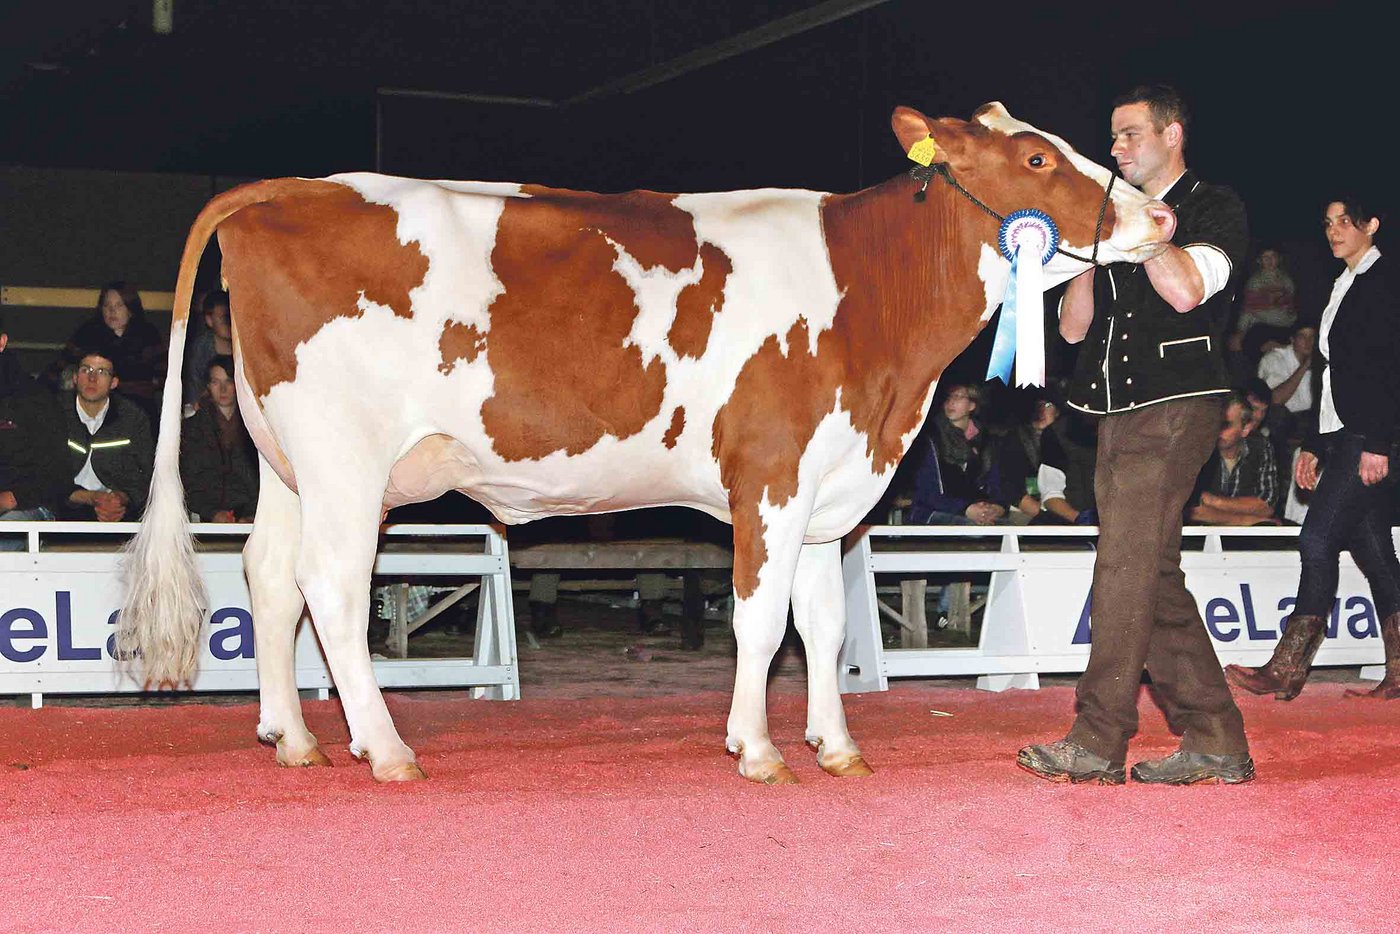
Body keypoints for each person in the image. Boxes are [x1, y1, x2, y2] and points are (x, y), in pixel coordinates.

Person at [1018, 85, 1254, 785]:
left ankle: (1098, 737)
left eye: (1129, 136)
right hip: (1113, 413)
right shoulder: (1115, 216)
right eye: (1114, 138)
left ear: (1172, 134)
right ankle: (1215, 738)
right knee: (1151, 573)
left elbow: (1185, 290)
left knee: (1122, 565)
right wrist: (1095, 250)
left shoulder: (1215, 206)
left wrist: (1148, 230)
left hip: (1178, 403)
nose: (1116, 149)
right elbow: (1072, 328)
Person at [1226, 197, 1400, 701]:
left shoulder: (1384, 282)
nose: (1334, 231)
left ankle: (1286, 666)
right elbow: (1332, 375)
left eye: (1345, 221)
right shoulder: (1340, 285)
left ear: (1372, 224)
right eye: (1327, 223)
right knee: (1375, 552)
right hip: (1342, 433)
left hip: (1369, 436)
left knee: (1316, 539)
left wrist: (1377, 444)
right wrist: (1314, 445)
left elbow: (1387, 373)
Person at [62, 347, 154, 522]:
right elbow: (43, 473)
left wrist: (120, 499)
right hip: (65, 507)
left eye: (102, 372)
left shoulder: (133, 417)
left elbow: (145, 475)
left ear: (114, 383)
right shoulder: (54, 412)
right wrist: (88, 497)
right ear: (75, 377)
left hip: (117, 508)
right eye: (85, 370)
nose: (92, 378)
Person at [0, 314, 69, 540]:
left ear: (2, 342)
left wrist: (11, 497)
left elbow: (56, 471)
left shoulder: (34, 398)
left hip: (28, 508)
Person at [60, 282, 166, 417]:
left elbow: (163, 374)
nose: (112, 311)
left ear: (130, 309)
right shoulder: (88, 333)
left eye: (119, 305)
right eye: (107, 306)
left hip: (138, 407)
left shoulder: (148, 334)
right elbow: (62, 366)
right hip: (94, 406)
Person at [906, 383, 1005, 526]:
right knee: (973, 531)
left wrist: (996, 507)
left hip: (975, 510)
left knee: (1011, 530)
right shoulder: (930, 438)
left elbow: (995, 484)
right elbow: (927, 493)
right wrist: (965, 508)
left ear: (972, 405)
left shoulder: (986, 441)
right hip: (933, 512)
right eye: (948, 397)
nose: (951, 402)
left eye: (958, 397)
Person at [180, 355, 259, 521]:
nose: (223, 389)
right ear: (208, 386)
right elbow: (189, 480)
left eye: (229, 381)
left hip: (252, 517)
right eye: (216, 382)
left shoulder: (256, 429)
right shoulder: (192, 429)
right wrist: (212, 513)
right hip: (207, 518)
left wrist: (252, 515)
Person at [1187, 391, 1279, 525]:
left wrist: (1213, 502)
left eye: (1225, 425)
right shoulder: (1198, 447)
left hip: (1245, 542)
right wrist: (1248, 520)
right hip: (1197, 538)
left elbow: (1266, 505)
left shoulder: (1260, 447)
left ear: (1245, 429)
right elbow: (1192, 510)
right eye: (1213, 423)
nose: (1216, 430)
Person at [184, 291, 234, 408]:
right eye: (224, 318)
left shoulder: (247, 349)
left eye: (232, 317)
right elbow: (194, 397)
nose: (229, 323)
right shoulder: (198, 352)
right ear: (209, 320)